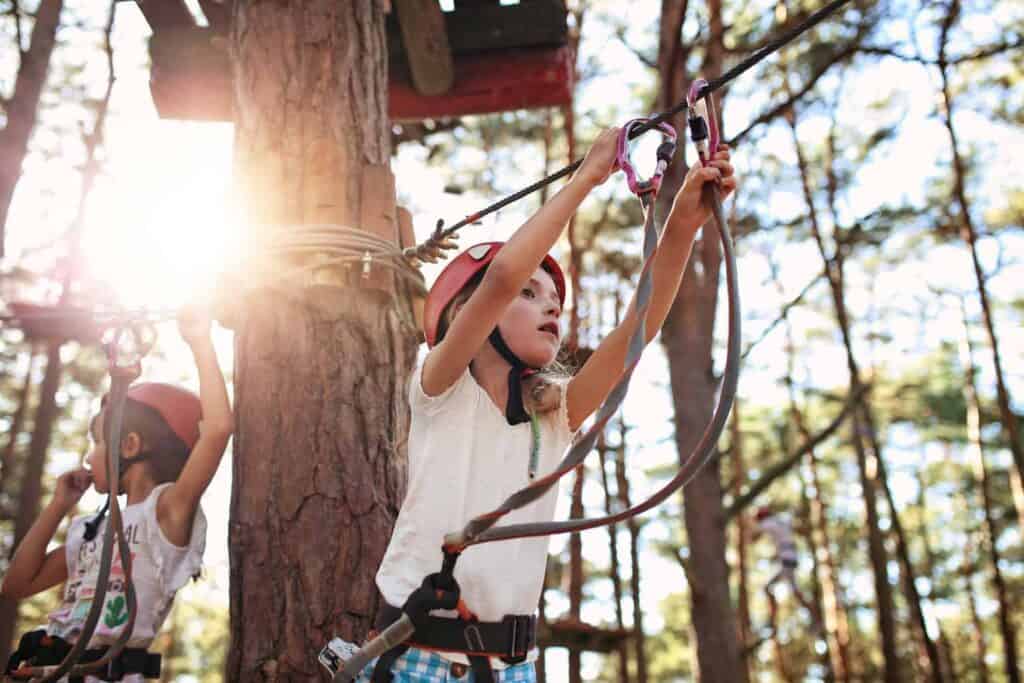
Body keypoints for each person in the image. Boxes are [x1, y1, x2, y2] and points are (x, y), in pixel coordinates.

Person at [365, 128, 736, 682]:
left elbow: (641, 323)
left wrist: (685, 217)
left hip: (515, 668)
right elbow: (501, 276)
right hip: (423, 659)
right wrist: (588, 175)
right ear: (466, 313)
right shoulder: (439, 387)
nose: (552, 309)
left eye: (556, 302)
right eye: (531, 295)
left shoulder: (552, 417)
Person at [1, 310, 233, 682]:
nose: (89, 455)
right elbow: (16, 585)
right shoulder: (93, 531)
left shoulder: (166, 512)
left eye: (97, 442)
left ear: (129, 446)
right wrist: (58, 505)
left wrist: (200, 342)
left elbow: (218, 429)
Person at [754, 507, 816, 625]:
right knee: (775, 588)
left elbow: (755, 535)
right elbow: (795, 526)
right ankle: (774, 619)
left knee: (788, 589)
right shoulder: (782, 519)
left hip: (786, 558)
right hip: (790, 556)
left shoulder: (768, 522)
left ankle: (774, 620)